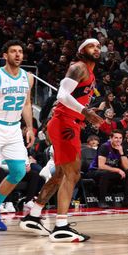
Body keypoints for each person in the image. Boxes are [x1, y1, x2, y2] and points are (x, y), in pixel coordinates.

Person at [20, 38, 103, 242]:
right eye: (92, 46)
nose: (97, 49)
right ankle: (61, 226)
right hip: (64, 123)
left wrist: (84, 114)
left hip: (69, 122)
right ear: (82, 50)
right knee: (72, 174)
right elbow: (62, 94)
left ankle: (34, 214)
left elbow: (73, 99)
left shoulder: (90, 73)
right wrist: (85, 112)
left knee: (60, 173)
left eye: (99, 47)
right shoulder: (78, 67)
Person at [0, 40, 36, 231]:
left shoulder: (28, 77)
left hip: (14, 129)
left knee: (18, 171)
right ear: (5, 55)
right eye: (13, 51)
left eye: (20, 51)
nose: (18, 54)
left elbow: (27, 104)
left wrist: (30, 128)